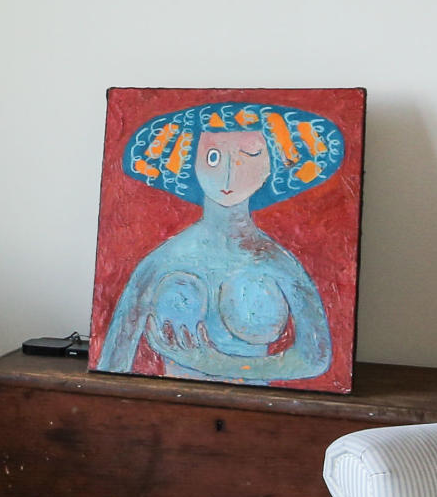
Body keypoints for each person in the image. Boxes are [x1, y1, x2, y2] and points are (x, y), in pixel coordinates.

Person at [95, 105, 338, 385]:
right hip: (174, 410)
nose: (228, 175)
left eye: (248, 156)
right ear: (191, 161)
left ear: (272, 164)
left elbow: (315, 359)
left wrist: (214, 364)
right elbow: (112, 365)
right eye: (213, 157)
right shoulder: (161, 261)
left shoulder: (278, 263)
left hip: (256, 412)